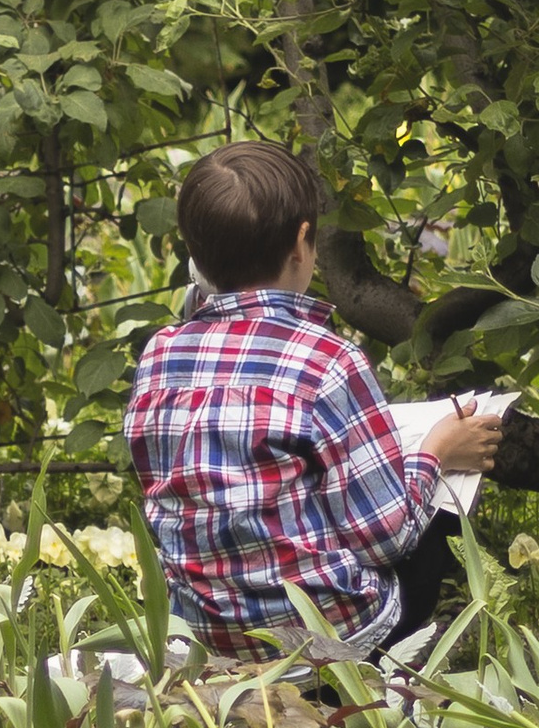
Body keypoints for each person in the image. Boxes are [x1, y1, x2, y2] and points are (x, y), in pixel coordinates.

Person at [124, 142, 501, 660]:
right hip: (327, 638)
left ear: (195, 253)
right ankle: (380, 677)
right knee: (430, 525)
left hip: (205, 638)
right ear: (302, 243)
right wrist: (435, 451)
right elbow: (386, 538)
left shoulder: (158, 357)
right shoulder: (327, 360)